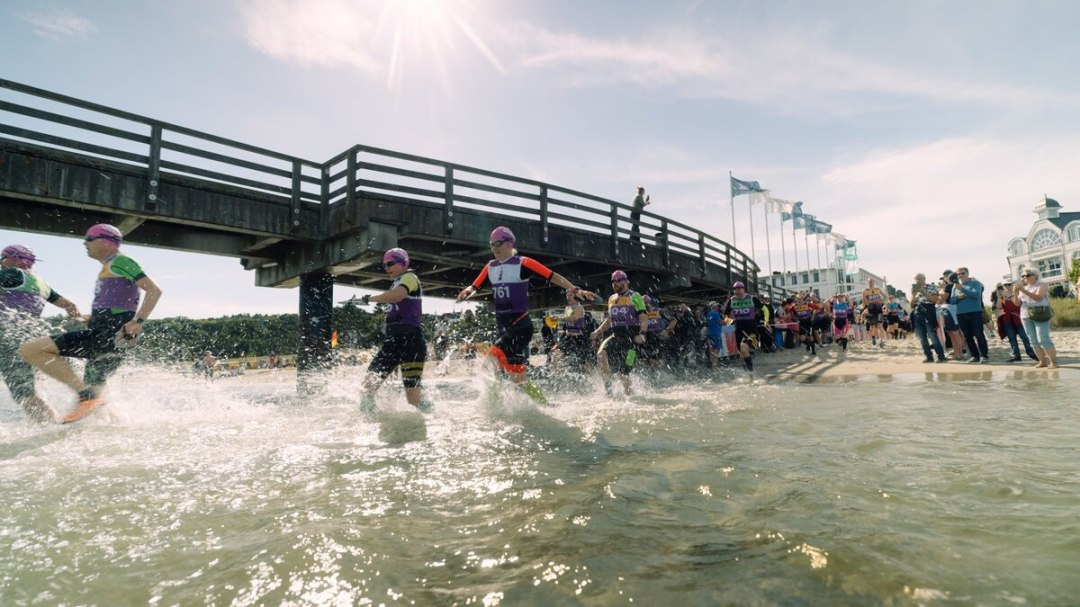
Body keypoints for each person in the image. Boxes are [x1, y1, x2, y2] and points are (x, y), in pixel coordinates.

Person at [20, 224, 162, 423]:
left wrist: (137, 321)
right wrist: (94, 319)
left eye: (89, 238)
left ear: (106, 241)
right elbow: (120, 303)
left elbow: (154, 290)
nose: (84, 243)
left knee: (31, 350)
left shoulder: (121, 261)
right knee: (98, 406)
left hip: (112, 333)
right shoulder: (109, 266)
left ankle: (85, 395)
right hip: (107, 331)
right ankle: (112, 421)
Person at [457, 227, 595, 402]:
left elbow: (553, 276)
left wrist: (576, 289)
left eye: (497, 243)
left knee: (491, 358)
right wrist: (466, 292)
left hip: (520, 326)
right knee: (518, 378)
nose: (494, 248)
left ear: (509, 243)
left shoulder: (524, 263)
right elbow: (475, 286)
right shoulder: (489, 266)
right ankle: (543, 404)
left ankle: (490, 405)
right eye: (491, 244)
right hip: (503, 326)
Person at [0, 245, 82, 422]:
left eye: (2, 257)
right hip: (31, 338)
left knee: (23, 394)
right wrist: (78, 325)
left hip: (8, 340)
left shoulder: (10, 274)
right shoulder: (41, 283)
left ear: (15, 259)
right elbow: (70, 306)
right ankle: (52, 423)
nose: (0, 262)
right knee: (25, 391)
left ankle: (48, 425)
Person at [358, 248, 434, 413]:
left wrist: (369, 298)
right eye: (384, 265)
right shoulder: (396, 282)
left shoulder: (410, 278)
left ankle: (436, 419)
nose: (386, 268)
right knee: (368, 384)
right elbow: (394, 295)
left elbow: (397, 296)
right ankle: (369, 421)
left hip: (411, 342)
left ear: (403, 263)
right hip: (392, 342)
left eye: (390, 263)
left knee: (413, 399)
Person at [591, 270, 649, 392]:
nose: (614, 283)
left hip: (631, 338)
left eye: (617, 280)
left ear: (626, 281)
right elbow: (609, 320)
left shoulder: (635, 296)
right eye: (612, 281)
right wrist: (597, 332)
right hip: (615, 335)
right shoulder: (612, 299)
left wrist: (642, 333)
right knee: (601, 355)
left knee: (624, 374)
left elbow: (643, 317)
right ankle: (609, 390)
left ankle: (630, 398)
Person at [1012, 269, 1058, 368]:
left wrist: (1023, 290)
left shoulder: (1042, 284)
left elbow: (1038, 297)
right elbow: (1017, 304)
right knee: (1033, 340)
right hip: (1025, 315)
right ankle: (1042, 362)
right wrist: (1016, 293)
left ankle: (1054, 363)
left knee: (1043, 338)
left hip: (1040, 313)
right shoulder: (1023, 288)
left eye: (1027, 275)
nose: (1024, 277)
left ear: (1035, 276)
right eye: (1023, 276)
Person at [950, 267, 988, 364]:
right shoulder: (955, 286)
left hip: (974, 312)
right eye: (958, 274)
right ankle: (975, 356)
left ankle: (984, 355)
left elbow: (976, 295)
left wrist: (962, 289)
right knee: (967, 336)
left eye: (962, 273)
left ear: (967, 273)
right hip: (961, 314)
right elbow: (952, 301)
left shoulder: (975, 283)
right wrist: (959, 297)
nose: (960, 275)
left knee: (979, 334)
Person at [723, 281, 762, 371]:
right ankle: (747, 372)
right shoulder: (731, 300)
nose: (737, 291)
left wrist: (761, 319)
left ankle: (751, 372)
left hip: (751, 328)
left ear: (743, 289)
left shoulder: (752, 299)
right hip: (738, 328)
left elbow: (763, 310)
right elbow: (725, 314)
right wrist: (729, 322)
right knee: (741, 352)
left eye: (739, 289)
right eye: (735, 289)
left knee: (744, 348)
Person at [995, 281, 1037, 362]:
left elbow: (1017, 304)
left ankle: (1031, 353)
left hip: (1018, 317)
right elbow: (999, 307)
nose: (1007, 286)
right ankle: (1016, 355)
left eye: (1009, 284)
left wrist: (1011, 295)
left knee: (1024, 337)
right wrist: (999, 297)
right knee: (1011, 338)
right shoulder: (1002, 295)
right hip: (1007, 319)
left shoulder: (1018, 292)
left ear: (1013, 285)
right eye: (1005, 284)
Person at [909, 273, 946, 363]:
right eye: (916, 279)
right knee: (922, 337)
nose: (918, 281)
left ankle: (941, 356)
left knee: (932, 335)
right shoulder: (914, 289)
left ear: (924, 278)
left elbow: (935, 300)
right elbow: (911, 305)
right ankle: (929, 357)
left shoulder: (932, 287)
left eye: (920, 278)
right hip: (917, 312)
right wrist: (913, 295)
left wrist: (924, 292)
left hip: (928, 311)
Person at [862, 278, 887, 348]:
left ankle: (882, 341)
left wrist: (881, 300)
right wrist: (872, 301)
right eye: (870, 282)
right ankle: (873, 337)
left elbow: (885, 297)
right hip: (871, 310)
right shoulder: (865, 291)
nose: (871, 283)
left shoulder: (878, 289)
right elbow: (864, 301)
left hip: (879, 309)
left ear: (874, 282)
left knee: (880, 325)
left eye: (872, 282)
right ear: (868, 283)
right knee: (872, 327)